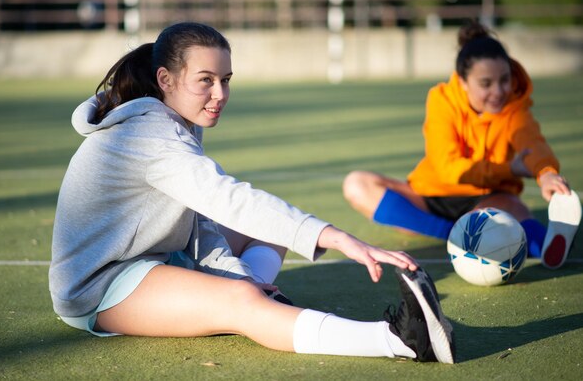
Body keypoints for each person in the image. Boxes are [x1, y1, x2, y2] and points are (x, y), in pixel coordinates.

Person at [49, 22, 455, 363]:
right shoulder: (148, 134)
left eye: (225, 80)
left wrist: (235, 272)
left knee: (263, 245)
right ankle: (399, 342)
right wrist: (337, 237)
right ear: (165, 80)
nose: (220, 94)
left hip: (156, 256)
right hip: (102, 285)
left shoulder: (175, 119)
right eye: (205, 81)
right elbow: (227, 198)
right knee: (240, 300)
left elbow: (198, 219)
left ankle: (261, 307)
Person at [342, 20, 581, 270]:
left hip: (487, 199)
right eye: (486, 84)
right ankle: (454, 235)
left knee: (513, 208)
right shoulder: (441, 100)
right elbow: (448, 168)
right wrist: (508, 169)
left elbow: (532, 142)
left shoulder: (515, 108)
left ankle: (547, 247)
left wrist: (546, 174)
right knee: (357, 184)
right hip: (432, 195)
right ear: (463, 82)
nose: (498, 91)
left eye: (505, 80)